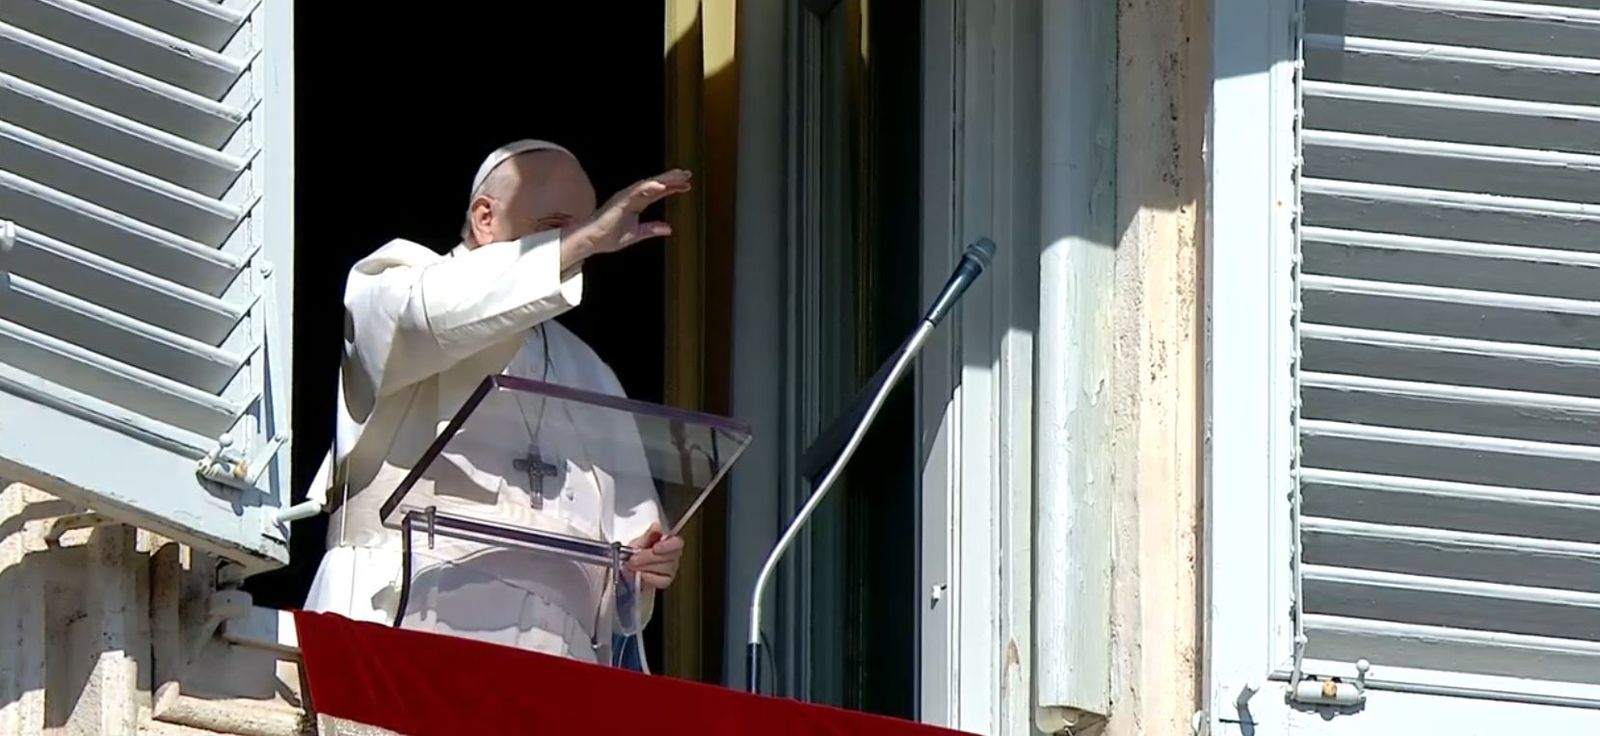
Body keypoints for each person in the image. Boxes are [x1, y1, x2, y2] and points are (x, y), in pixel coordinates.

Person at [301, 140, 690, 669]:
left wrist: (643, 566)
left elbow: (626, 559)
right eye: (559, 226)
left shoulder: (593, 373)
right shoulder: (393, 283)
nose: (585, 246)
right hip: (405, 618)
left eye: (588, 229)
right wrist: (582, 241)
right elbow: (430, 316)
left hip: (554, 663)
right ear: (485, 217)